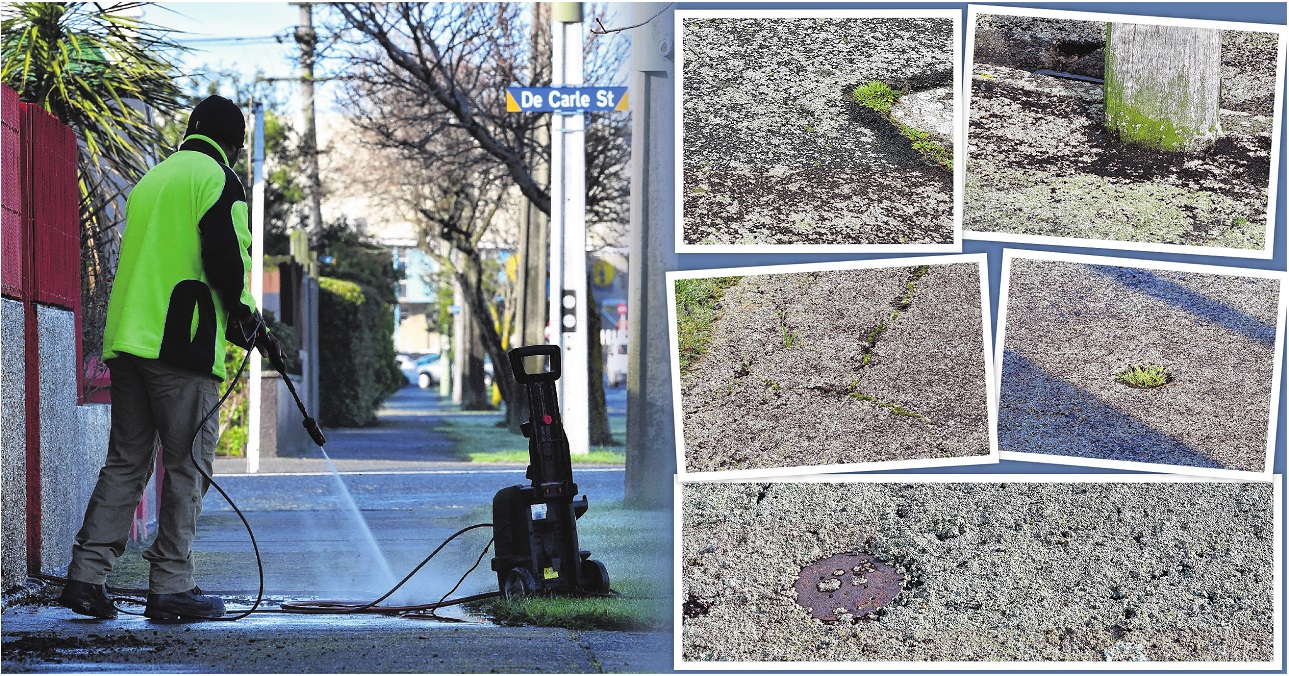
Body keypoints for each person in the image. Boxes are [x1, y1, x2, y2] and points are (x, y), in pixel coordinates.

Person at [57, 95, 284, 621]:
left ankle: (86, 578)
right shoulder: (220, 181)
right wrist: (247, 322)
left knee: (127, 462)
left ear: (191, 131)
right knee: (188, 463)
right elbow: (228, 261)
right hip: (180, 343)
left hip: (129, 342)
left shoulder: (152, 181)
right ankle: (171, 587)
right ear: (234, 144)